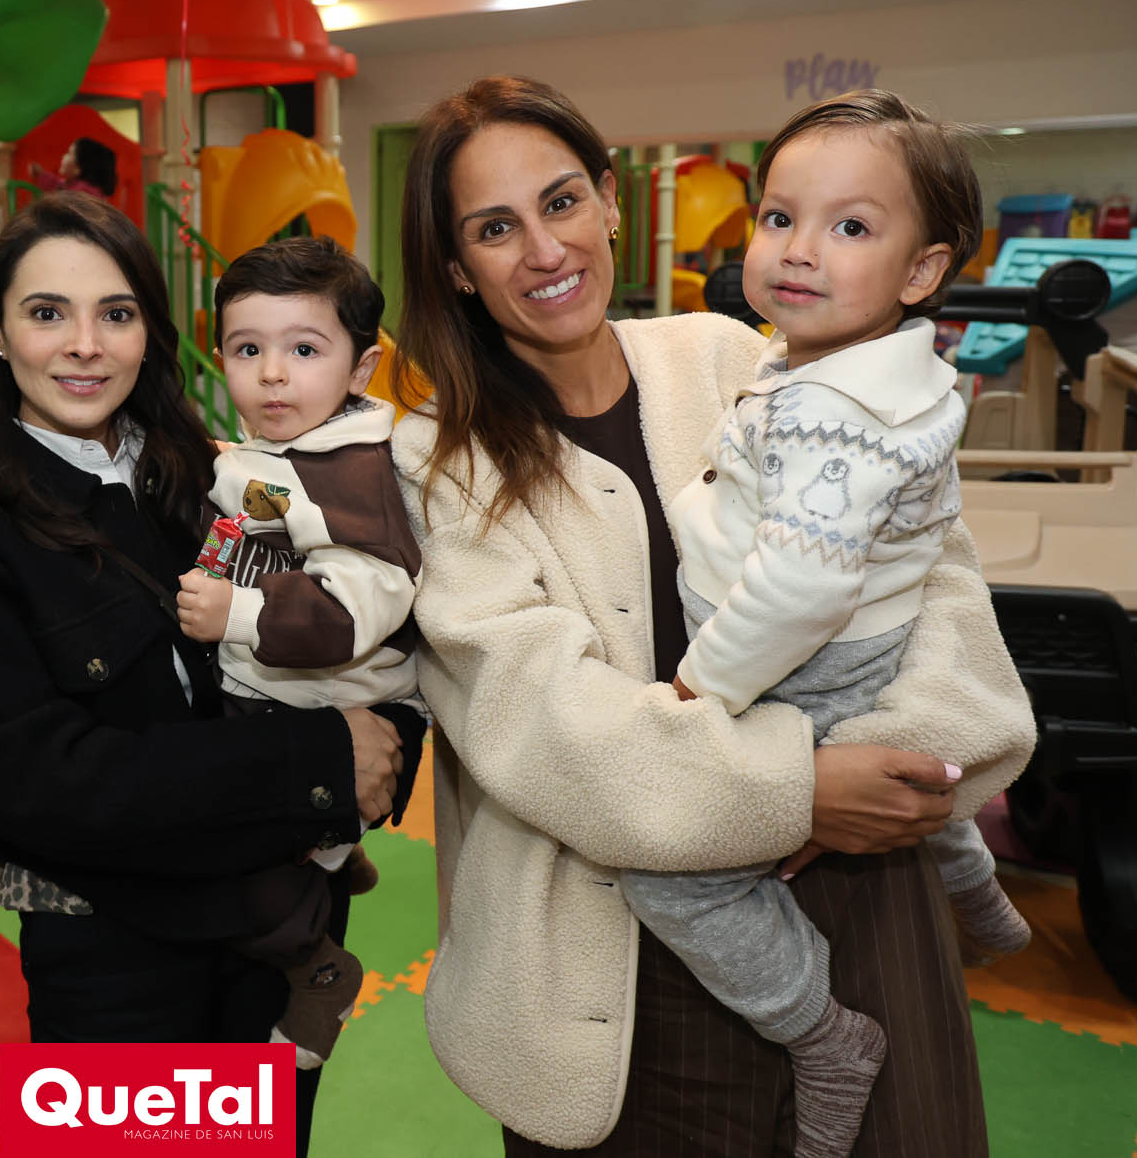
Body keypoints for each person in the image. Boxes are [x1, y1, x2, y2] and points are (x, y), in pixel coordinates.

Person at [388, 75, 1036, 1154]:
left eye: (560, 202)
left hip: (860, 882)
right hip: (618, 953)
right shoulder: (441, 460)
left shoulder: (741, 356)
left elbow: (932, 574)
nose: (543, 251)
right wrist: (795, 790)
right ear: (456, 266)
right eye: (493, 229)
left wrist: (904, 761)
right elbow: (534, 719)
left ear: (609, 200)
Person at [0, 192, 419, 1157]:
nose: (84, 345)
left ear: (150, 335)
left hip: (277, 927)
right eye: (47, 312)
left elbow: (378, 628)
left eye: (116, 313)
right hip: (116, 956)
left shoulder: (209, 476)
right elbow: (36, 779)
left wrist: (383, 750)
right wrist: (319, 763)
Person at [620, 90, 1034, 1157]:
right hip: (866, 649)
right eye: (778, 217)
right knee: (882, 745)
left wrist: (699, 690)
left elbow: (799, 594)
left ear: (920, 271)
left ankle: (819, 1032)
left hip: (801, 664)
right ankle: (972, 880)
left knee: (666, 874)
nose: (798, 249)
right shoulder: (866, 366)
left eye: (849, 226)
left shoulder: (832, 412)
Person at [171, 237, 420, 1068]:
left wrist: (239, 611)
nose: (273, 374)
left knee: (241, 875)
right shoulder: (293, 451)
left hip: (320, 700)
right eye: (248, 350)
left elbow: (356, 606)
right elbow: (258, 495)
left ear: (362, 366)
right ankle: (333, 854)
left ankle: (316, 966)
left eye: (304, 350)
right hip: (282, 695)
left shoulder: (351, 475)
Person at [33, 136, 118, 199]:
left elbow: (58, 189)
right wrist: (40, 174)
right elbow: (57, 184)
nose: (63, 156)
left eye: (69, 153)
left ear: (78, 168)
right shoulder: (74, 185)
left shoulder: (82, 193)